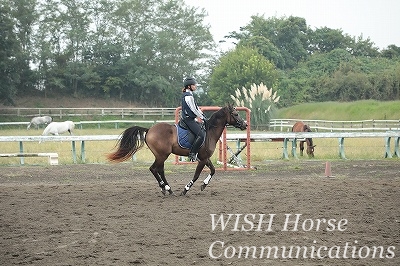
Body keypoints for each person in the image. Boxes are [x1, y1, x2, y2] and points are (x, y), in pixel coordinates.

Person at [180, 77, 206, 162]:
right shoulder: (188, 97)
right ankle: (192, 153)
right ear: (189, 86)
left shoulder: (190, 95)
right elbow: (194, 109)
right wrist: (202, 118)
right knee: (201, 135)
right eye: (194, 85)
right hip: (188, 119)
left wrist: (203, 115)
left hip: (189, 118)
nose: (196, 86)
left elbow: (196, 108)